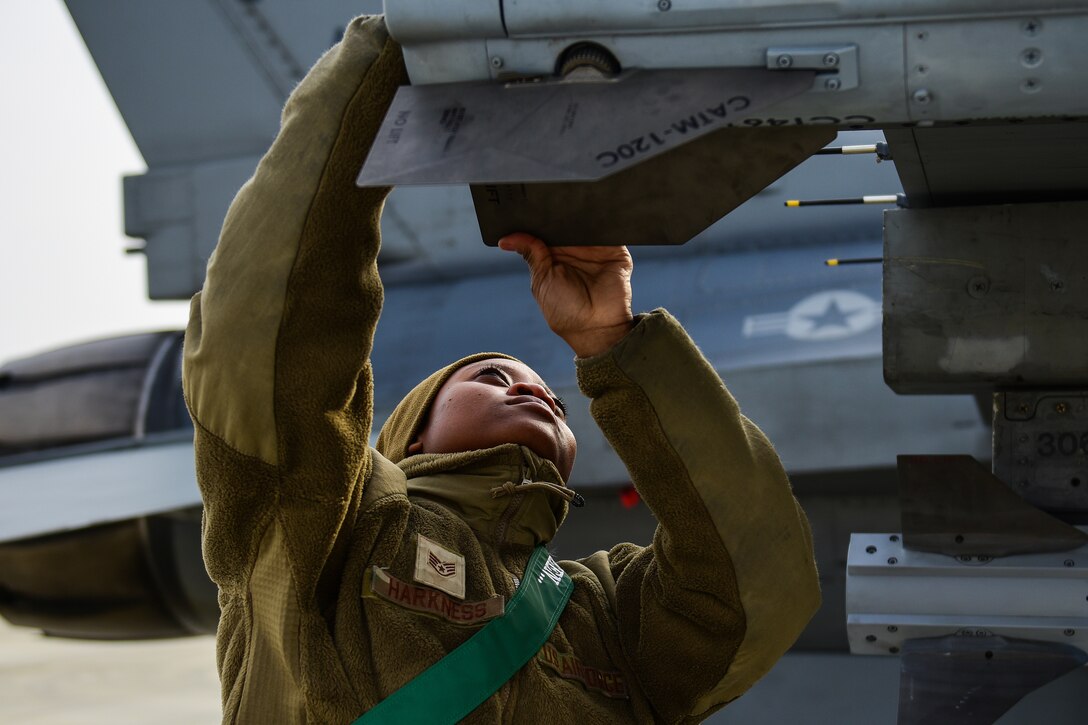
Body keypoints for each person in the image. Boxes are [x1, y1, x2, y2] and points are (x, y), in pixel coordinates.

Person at [183, 15, 820, 725]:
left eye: (554, 394)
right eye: (491, 376)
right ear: (413, 434)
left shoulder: (602, 618)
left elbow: (761, 582)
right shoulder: (331, 526)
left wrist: (618, 348)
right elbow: (268, 339)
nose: (536, 389)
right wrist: (400, 48)